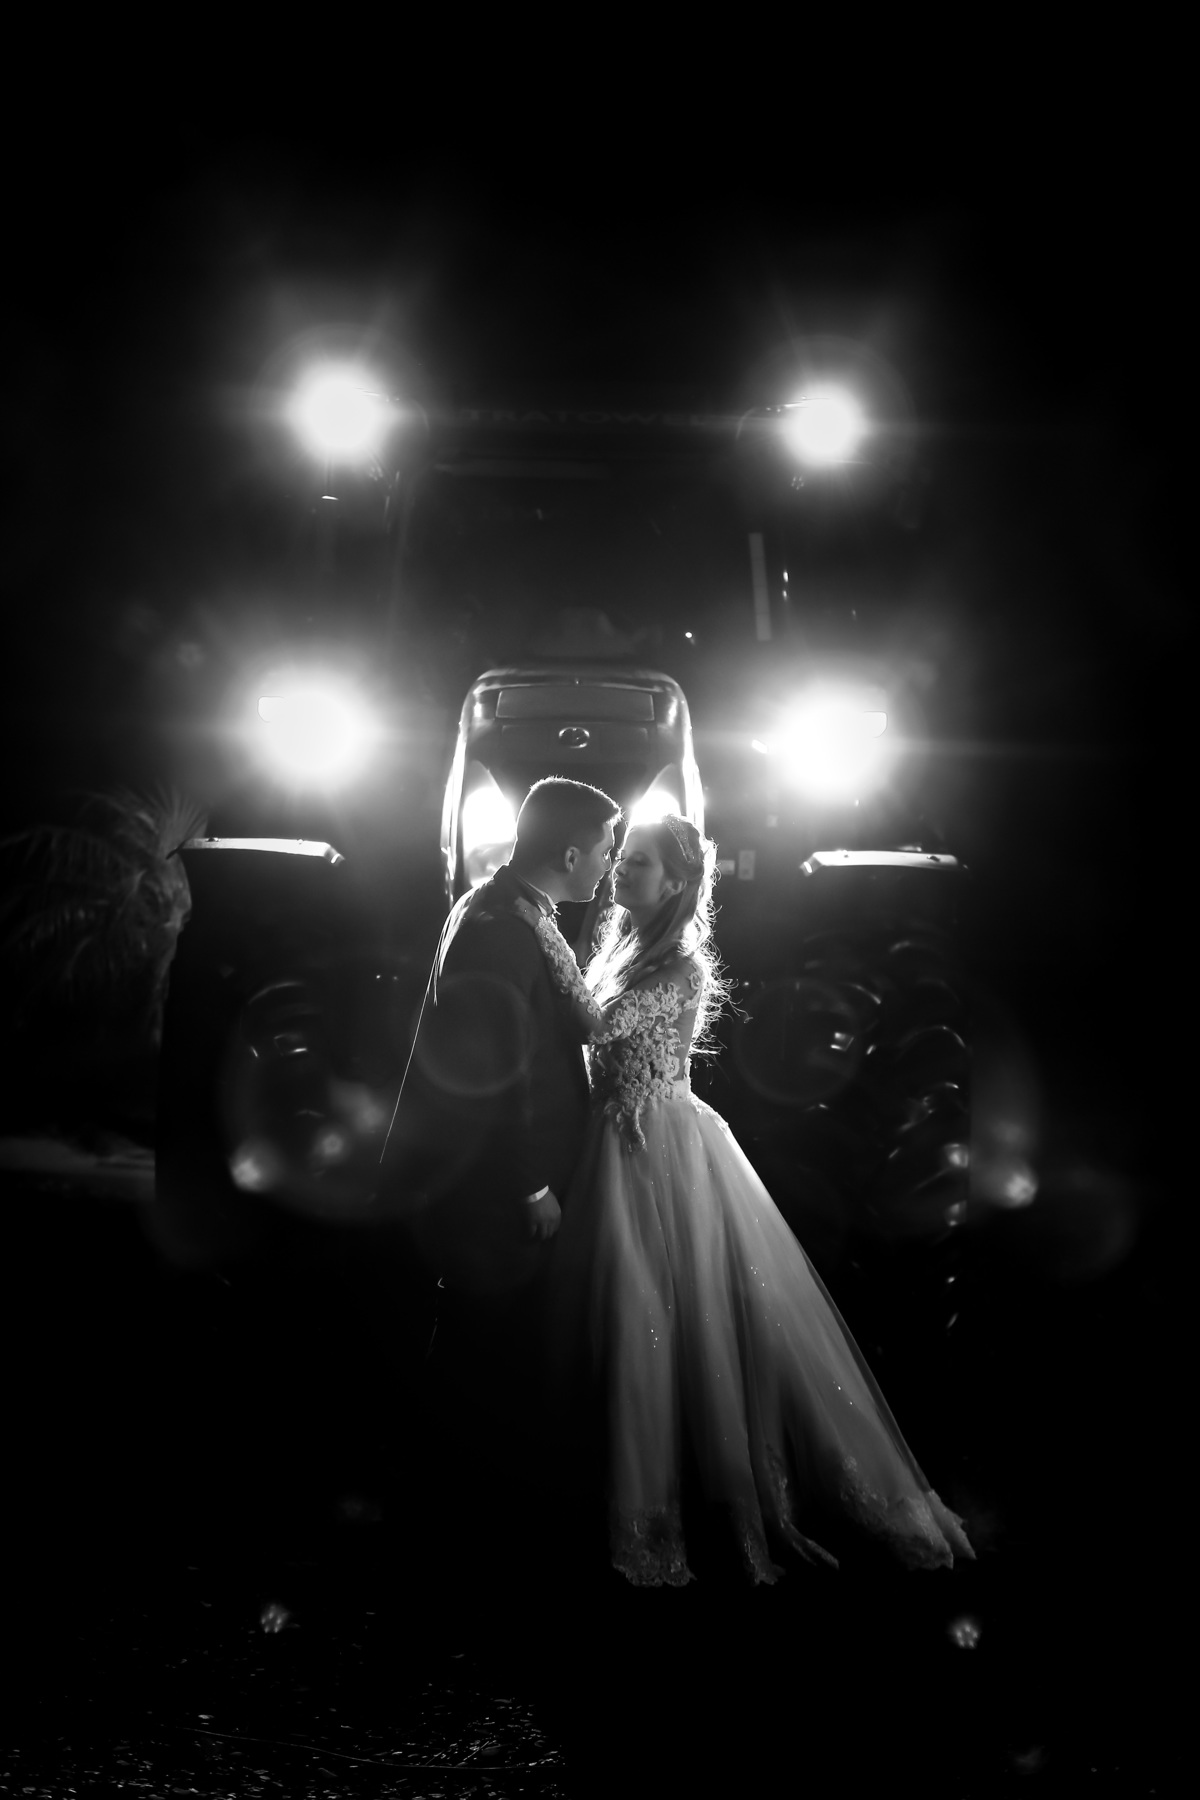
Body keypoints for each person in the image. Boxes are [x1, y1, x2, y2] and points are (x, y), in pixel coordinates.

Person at [512, 813, 977, 1588]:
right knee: (624, 1313)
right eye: (623, 858)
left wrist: (544, 935)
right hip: (613, 1142)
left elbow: (594, 1025)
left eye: (640, 862)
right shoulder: (626, 947)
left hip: (659, 1150)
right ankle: (605, 1490)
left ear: (677, 883)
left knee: (659, 1313)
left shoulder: (683, 967)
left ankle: (680, 1505)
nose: (622, 869)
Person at [377, 776, 620, 1512]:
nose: (608, 864)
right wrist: (531, 1184)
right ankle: (460, 1492)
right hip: (492, 1184)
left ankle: (469, 1478)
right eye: (605, 850)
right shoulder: (501, 930)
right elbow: (498, 1076)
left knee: (489, 1331)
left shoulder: (500, 906)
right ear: (571, 853)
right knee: (481, 1334)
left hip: (490, 1177)